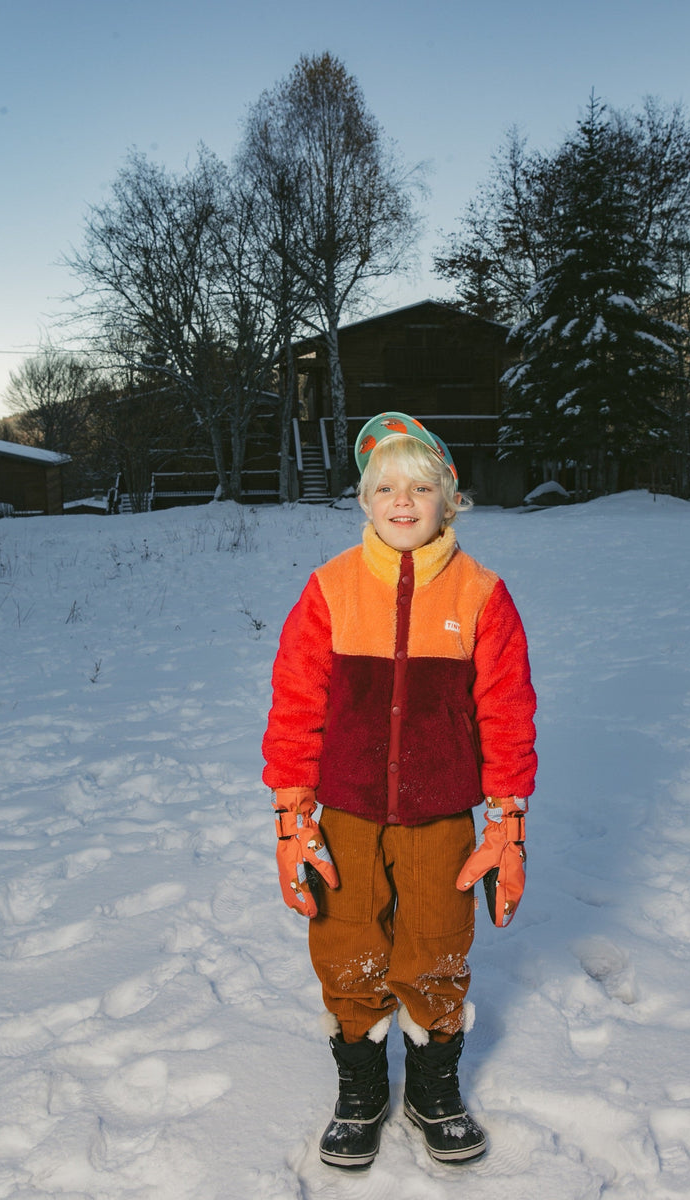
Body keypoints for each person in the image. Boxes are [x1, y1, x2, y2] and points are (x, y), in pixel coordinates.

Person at [262, 411, 537, 1169]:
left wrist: (506, 820)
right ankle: (361, 1088)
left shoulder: (483, 593)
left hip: (440, 811)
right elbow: (295, 703)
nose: (404, 499)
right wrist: (292, 810)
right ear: (365, 499)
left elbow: (507, 711)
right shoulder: (330, 589)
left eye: (422, 484)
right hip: (345, 809)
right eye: (386, 485)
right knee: (346, 938)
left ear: (452, 498)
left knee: (437, 943)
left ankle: (432, 1086)